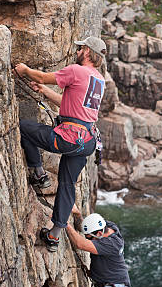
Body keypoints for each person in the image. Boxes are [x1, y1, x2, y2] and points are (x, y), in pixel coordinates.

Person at [14, 36, 106, 252]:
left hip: (69, 137)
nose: (78, 51)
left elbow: (43, 76)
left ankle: (38, 174)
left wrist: (25, 70)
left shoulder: (76, 70)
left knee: (23, 128)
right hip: (87, 142)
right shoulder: (98, 80)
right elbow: (72, 107)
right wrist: (44, 92)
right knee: (67, 185)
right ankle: (54, 236)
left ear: (87, 52)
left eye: (81, 48)